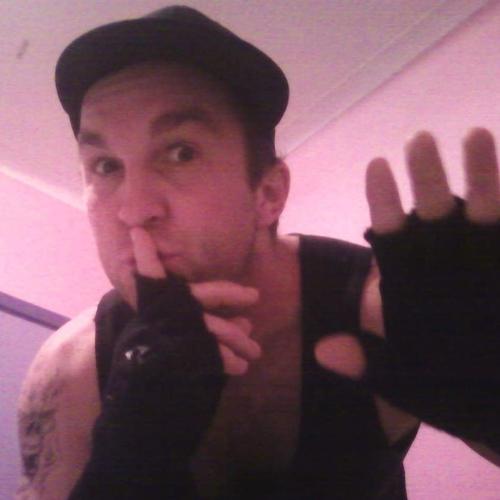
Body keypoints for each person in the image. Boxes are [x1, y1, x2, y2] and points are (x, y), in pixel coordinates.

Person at [16, 5, 500, 499]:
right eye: (104, 166)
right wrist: (124, 459)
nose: (134, 210)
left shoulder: (387, 310)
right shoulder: (71, 372)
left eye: (181, 152)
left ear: (267, 194)